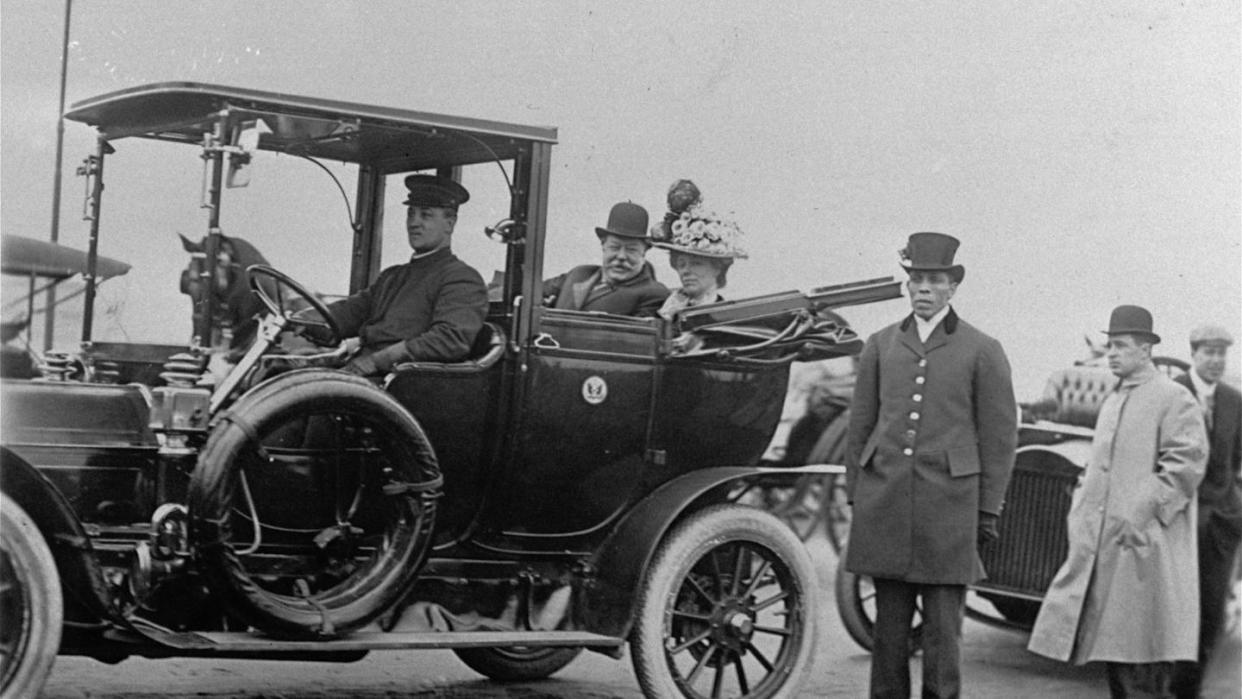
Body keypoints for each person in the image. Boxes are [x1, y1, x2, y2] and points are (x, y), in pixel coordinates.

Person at [845, 232, 1018, 699]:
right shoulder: (880, 345)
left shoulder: (982, 349)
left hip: (949, 513)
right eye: (916, 280)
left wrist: (988, 510)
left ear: (952, 288)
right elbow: (860, 424)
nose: (923, 289)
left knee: (943, 640)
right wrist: (856, 493)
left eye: (934, 281)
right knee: (888, 636)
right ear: (907, 286)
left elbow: (1000, 438)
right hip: (886, 506)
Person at [1027, 305, 1208, 698]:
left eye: (1122, 345)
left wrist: (1141, 510)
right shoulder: (1114, 399)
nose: (1112, 353)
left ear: (1146, 350)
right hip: (1107, 547)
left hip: (1147, 549)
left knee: (1144, 656)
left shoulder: (1174, 397)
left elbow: (1186, 464)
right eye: (1109, 345)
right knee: (1116, 656)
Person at [320, 174, 488, 375]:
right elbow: (350, 312)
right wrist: (306, 319)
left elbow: (449, 340)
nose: (414, 223)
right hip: (364, 370)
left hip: (399, 379)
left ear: (450, 224)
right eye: (411, 214)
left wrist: (377, 361)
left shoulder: (461, 278)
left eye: (425, 215)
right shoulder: (392, 277)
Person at [1171, 325, 1240, 699]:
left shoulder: (1233, 400)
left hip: (1220, 525)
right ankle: (1164, 683)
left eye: (1221, 354)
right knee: (1175, 604)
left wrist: (1234, 505)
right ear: (1194, 354)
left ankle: (1190, 688)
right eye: (1209, 353)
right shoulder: (1173, 391)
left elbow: (1237, 459)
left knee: (1211, 610)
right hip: (1179, 519)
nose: (1216, 360)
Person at [542, 201, 669, 317]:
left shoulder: (654, 295)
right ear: (603, 246)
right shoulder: (579, 273)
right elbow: (533, 291)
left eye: (631, 250)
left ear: (644, 252)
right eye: (614, 247)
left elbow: (635, 338)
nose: (621, 256)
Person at [649, 182, 747, 320]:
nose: (685, 271)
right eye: (681, 264)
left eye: (696, 264)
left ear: (717, 268)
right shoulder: (665, 311)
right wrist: (665, 317)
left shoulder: (726, 318)